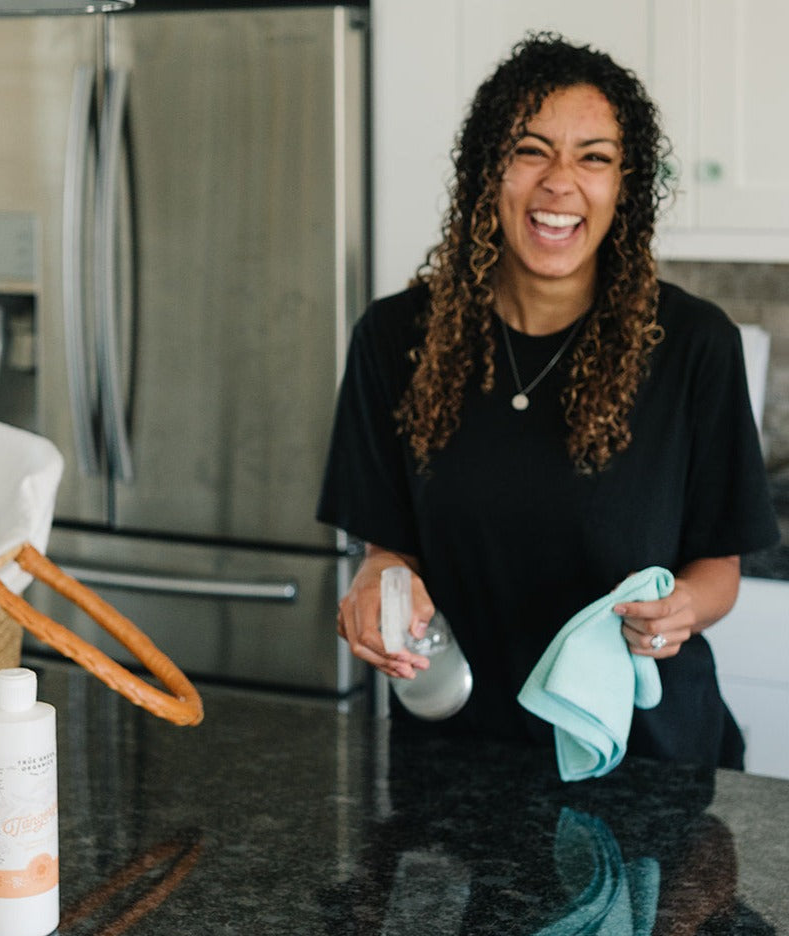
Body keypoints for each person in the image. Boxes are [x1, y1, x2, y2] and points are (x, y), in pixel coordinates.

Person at [318, 32, 780, 769]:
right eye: (530, 150)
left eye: (593, 157)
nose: (560, 183)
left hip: (645, 758)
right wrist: (379, 583)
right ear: (487, 171)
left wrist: (680, 611)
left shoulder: (695, 344)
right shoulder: (396, 338)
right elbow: (388, 549)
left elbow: (717, 567)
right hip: (458, 753)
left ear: (624, 184)